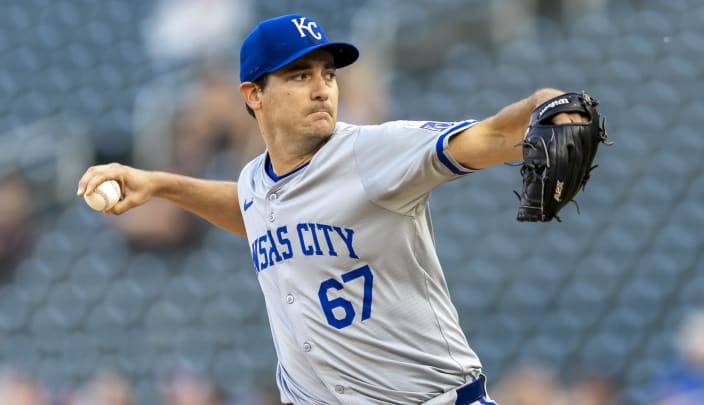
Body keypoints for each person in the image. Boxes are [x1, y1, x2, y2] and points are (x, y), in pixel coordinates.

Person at [78, 14, 585, 405]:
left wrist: (543, 103)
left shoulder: (373, 153)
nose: (322, 87)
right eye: (299, 75)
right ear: (253, 95)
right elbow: (252, 211)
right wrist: (161, 184)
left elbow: (494, 136)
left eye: (327, 73)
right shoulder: (257, 179)